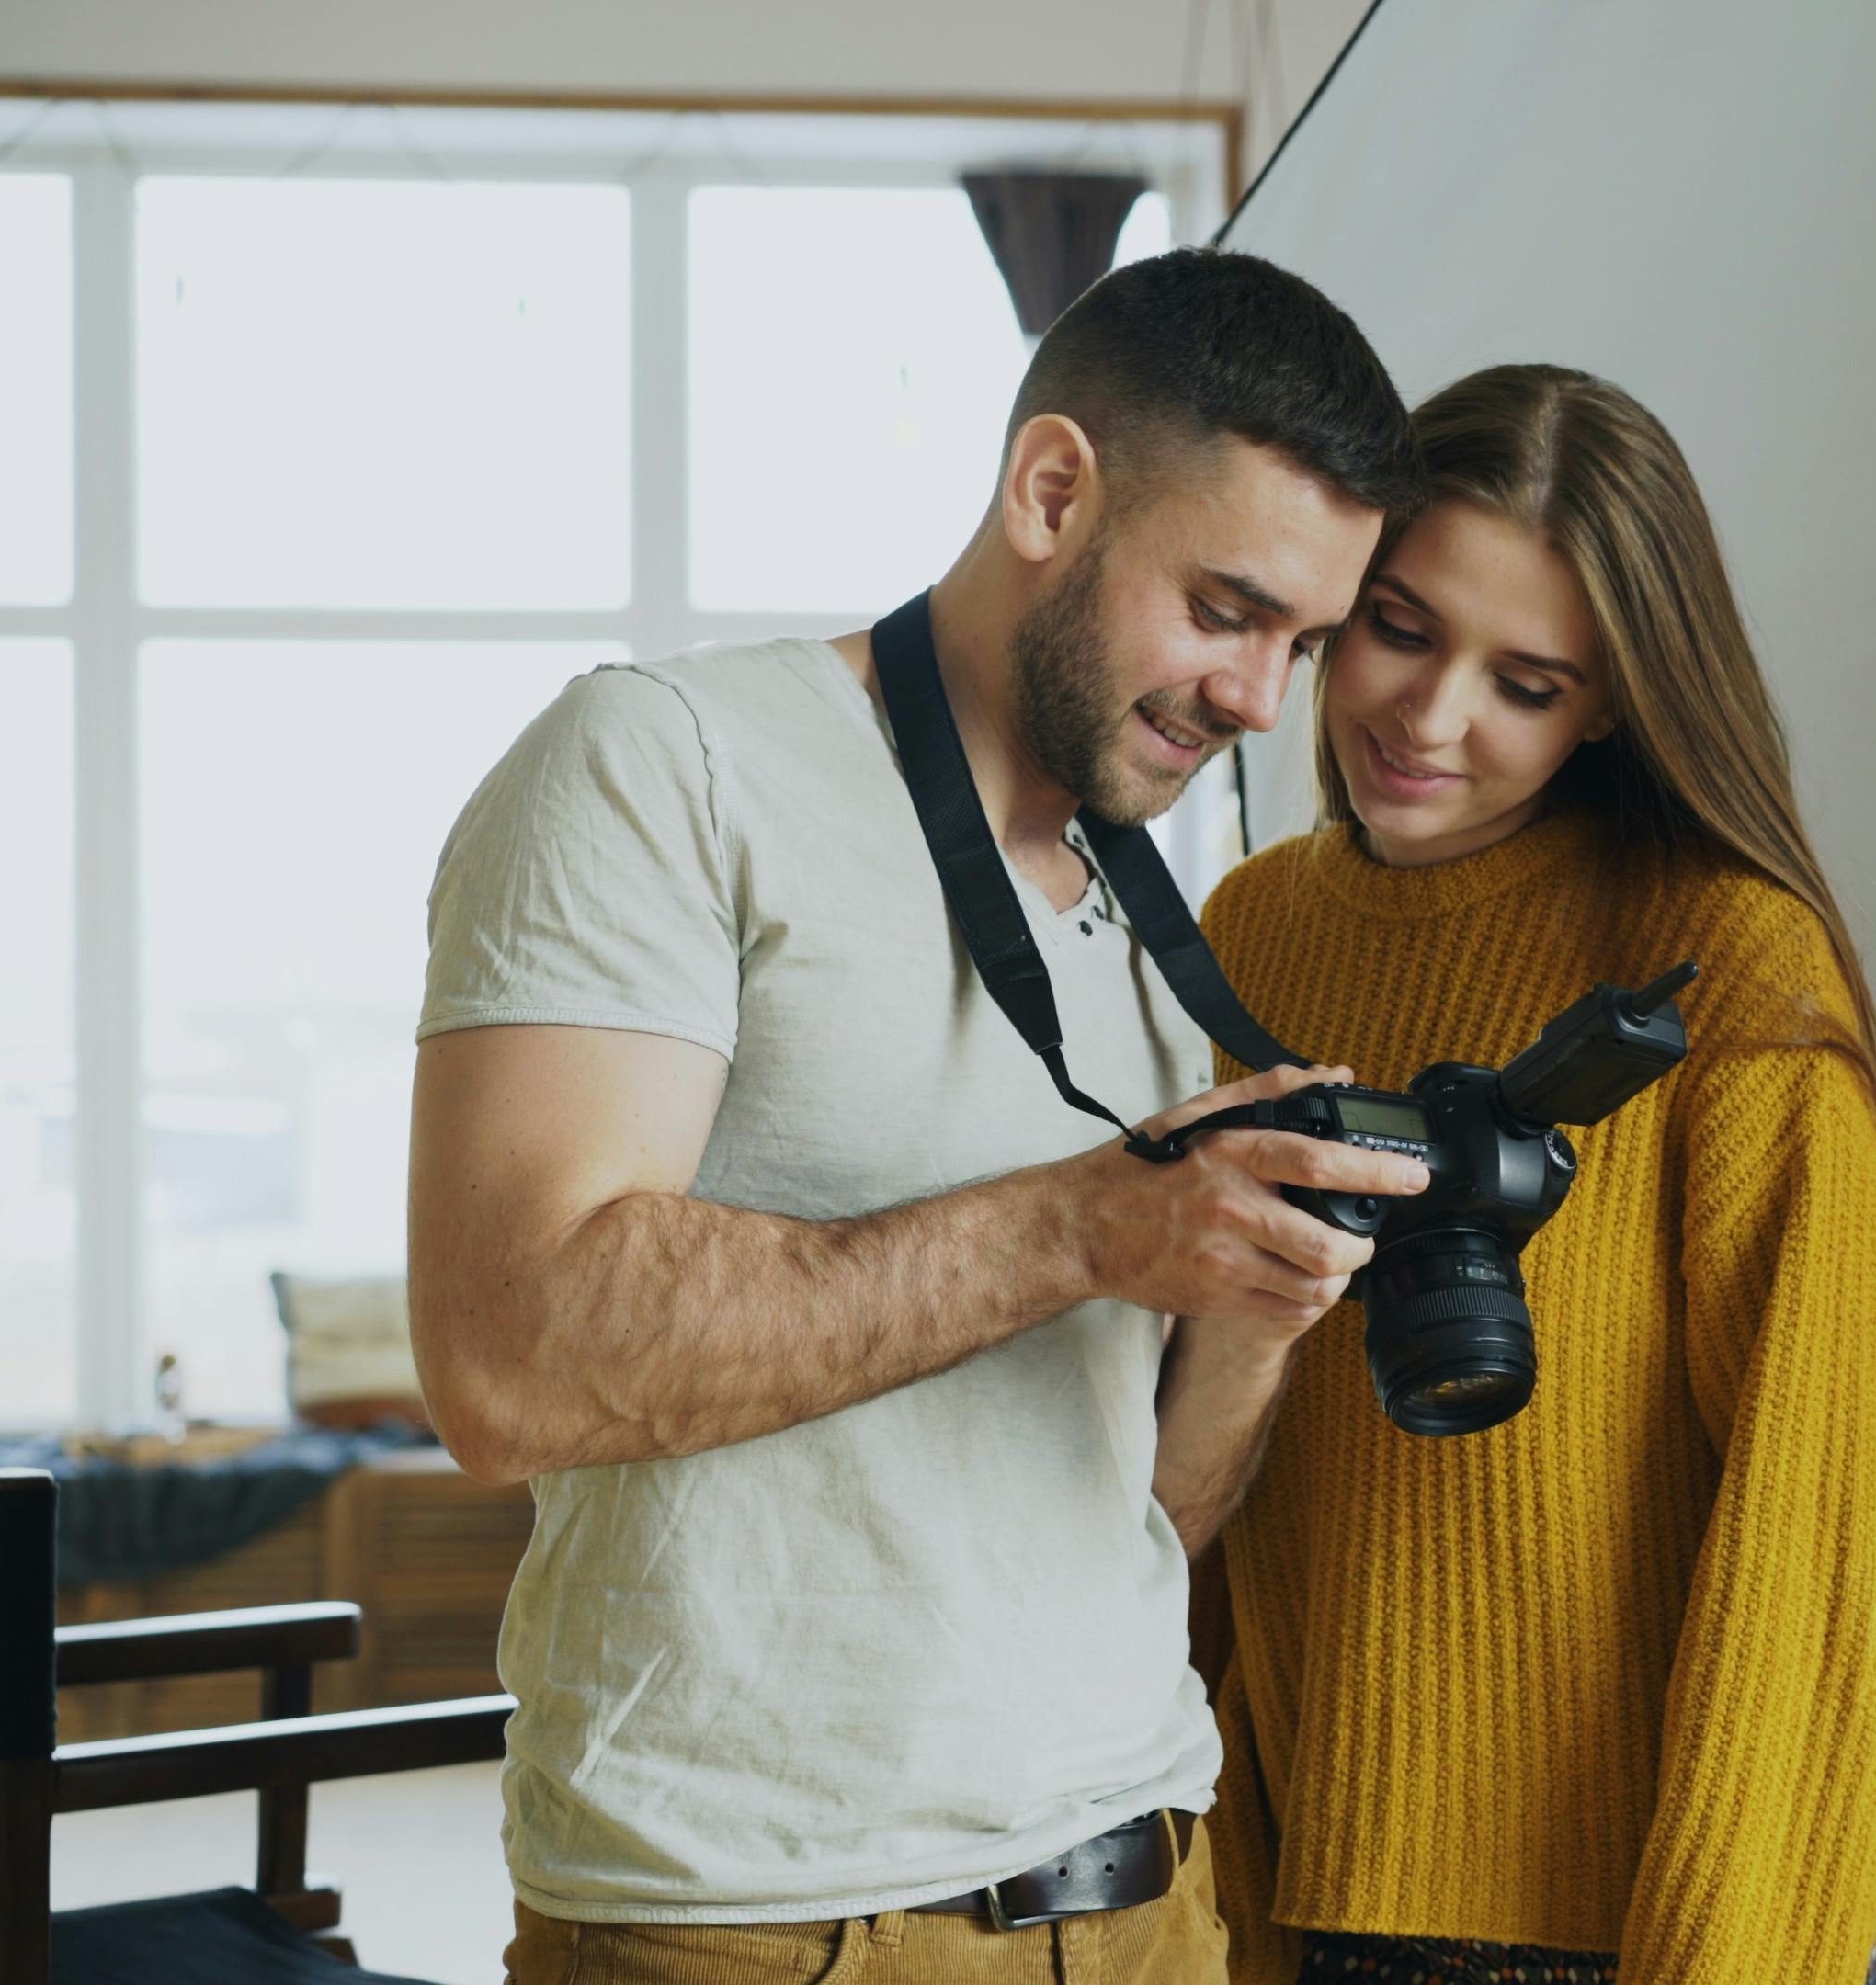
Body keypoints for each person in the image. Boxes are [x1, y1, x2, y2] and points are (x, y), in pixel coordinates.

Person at [408, 248, 1434, 1985]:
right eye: (1225, 610)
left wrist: (1261, 1293)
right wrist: (1085, 1226)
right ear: (1053, 491)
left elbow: (1142, 1518)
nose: (1264, 699)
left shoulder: (1139, 905)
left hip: (1149, 1892)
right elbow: (505, 1363)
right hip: (754, 1929)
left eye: (1308, 642)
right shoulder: (664, 762)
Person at [1194, 365, 1876, 1985]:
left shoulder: (1719, 967)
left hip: (1621, 1936)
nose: (1431, 715)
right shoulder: (1247, 936)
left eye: (1526, 682)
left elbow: (1829, 1529)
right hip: (1298, 1899)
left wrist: (1727, 1957)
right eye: (1403, 628)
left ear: (1609, 702)